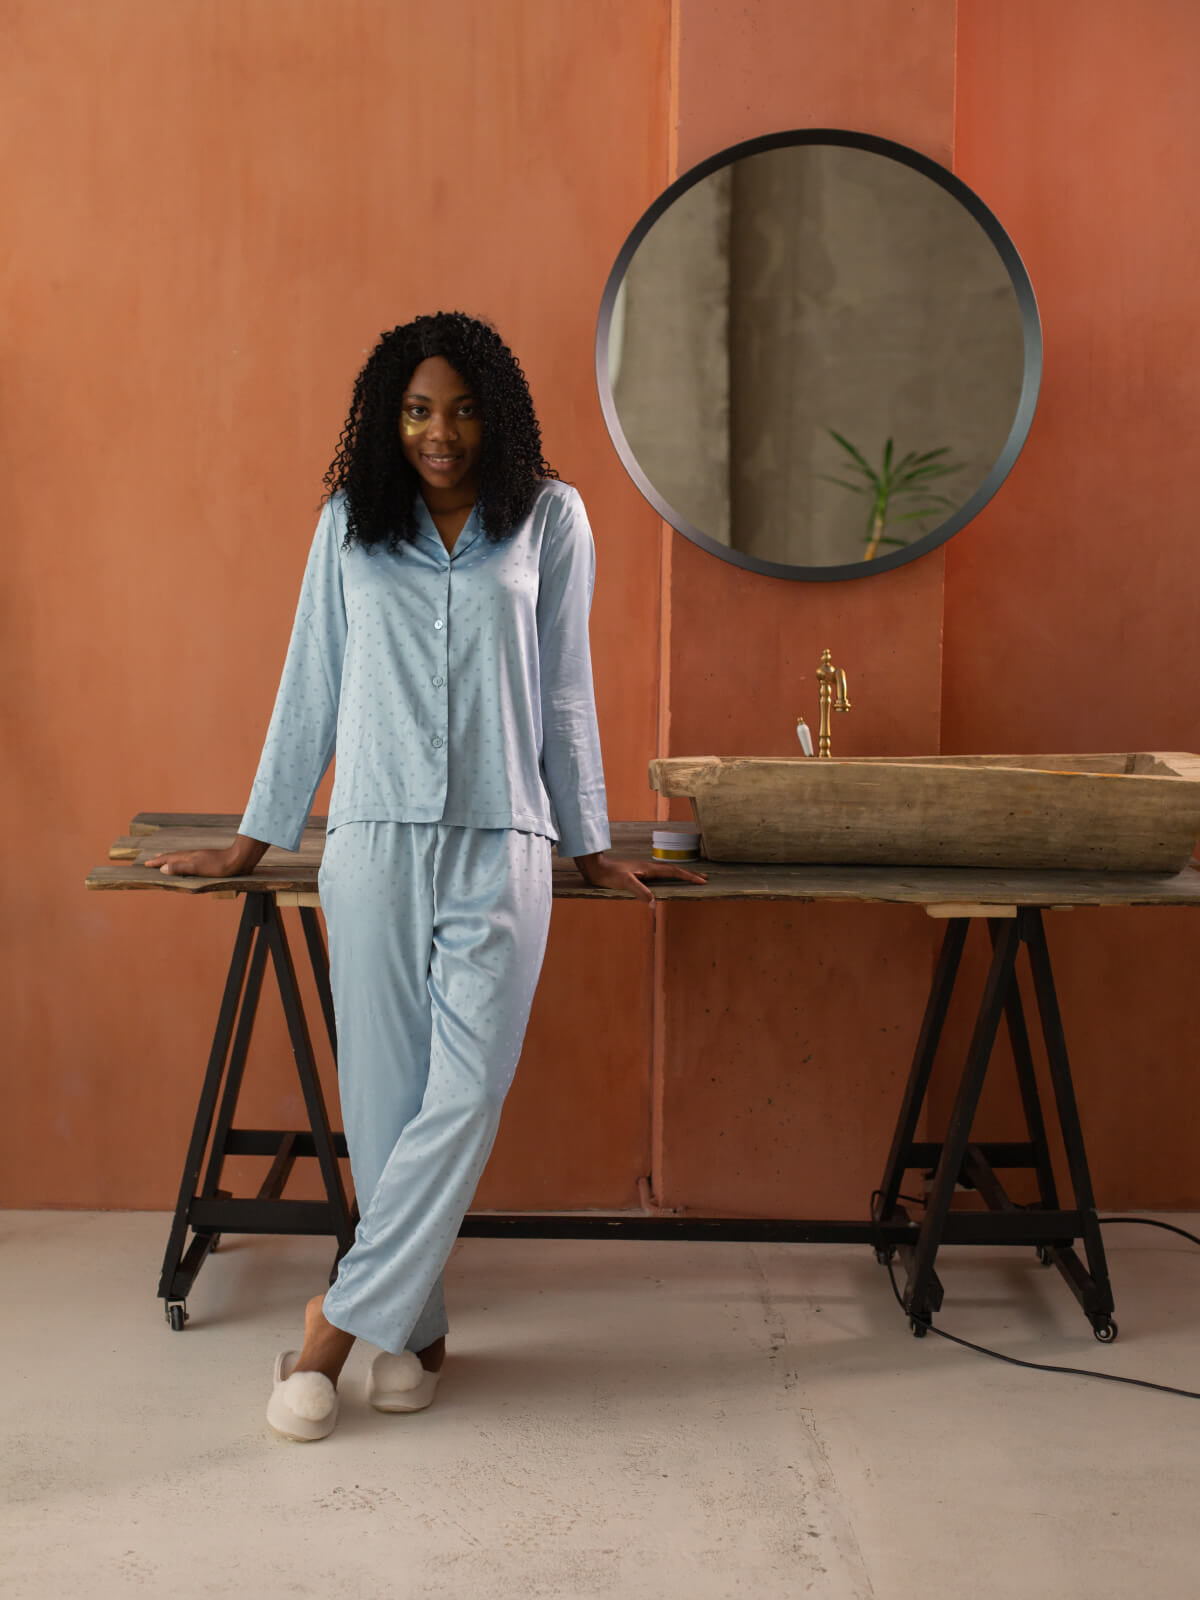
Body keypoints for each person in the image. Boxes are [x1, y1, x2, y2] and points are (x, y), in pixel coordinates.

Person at [145, 311, 705, 1441]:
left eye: (458, 408)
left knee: (466, 1095)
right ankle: (417, 1329)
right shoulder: (351, 524)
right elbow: (310, 686)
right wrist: (255, 841)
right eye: (415, 410)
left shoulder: (551, 516)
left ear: (495, 411)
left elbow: (562, 689)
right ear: (385, 418)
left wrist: (591, 841)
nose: (438, 432)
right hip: (371, 843)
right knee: (388, 1109)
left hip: (506, 840)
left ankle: (331, 1330)